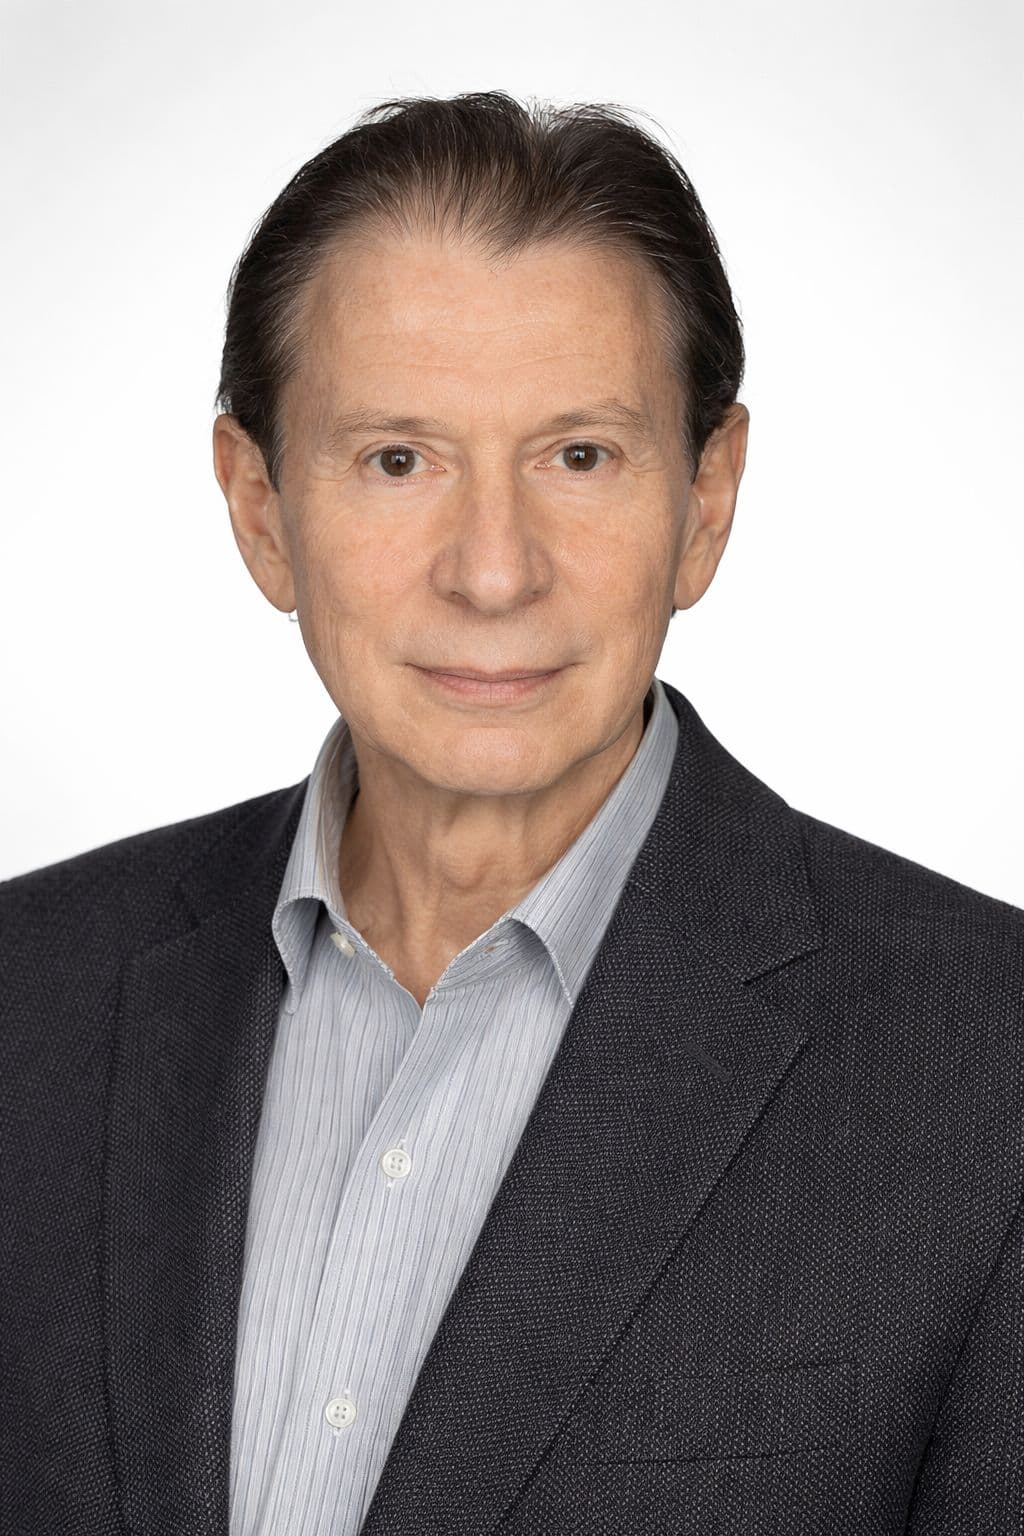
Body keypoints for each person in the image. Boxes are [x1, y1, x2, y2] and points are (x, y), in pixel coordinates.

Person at [1, 90, 1021, 1536]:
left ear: (709, 499)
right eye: (398, 460)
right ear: (260, 508)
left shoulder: (988, 1072)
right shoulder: (27, 993)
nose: (493, 572)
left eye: (580, 457)